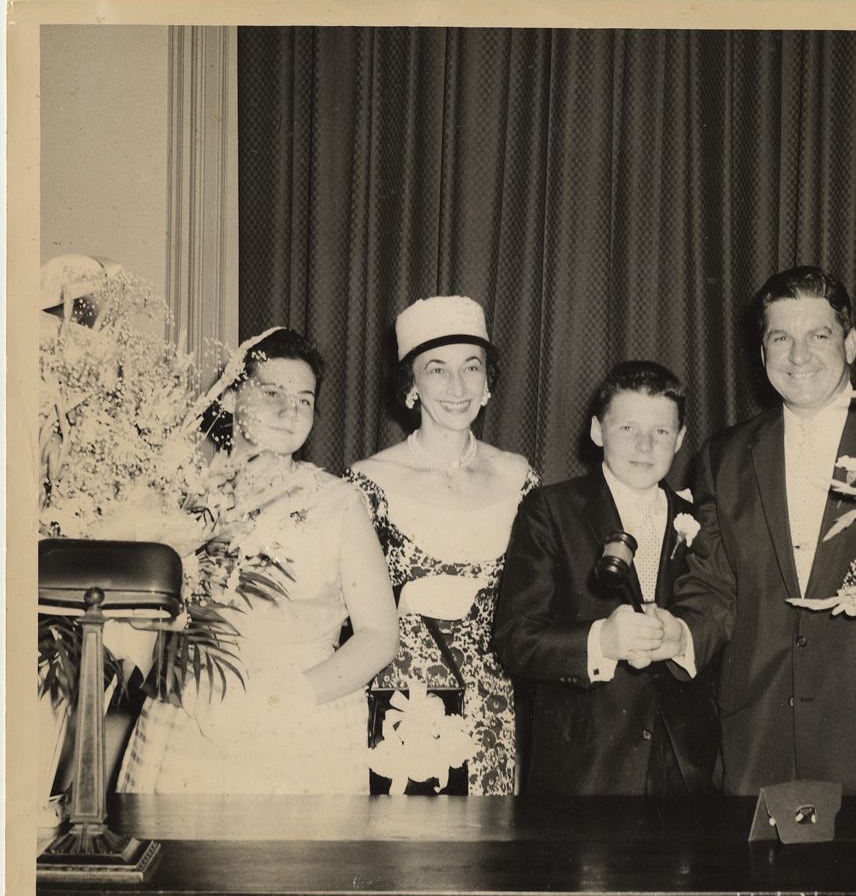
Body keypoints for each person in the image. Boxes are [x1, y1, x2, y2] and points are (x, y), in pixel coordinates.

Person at [656, 266, 856, 804]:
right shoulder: (725, 456)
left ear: (851, 343)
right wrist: (679, 636)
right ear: (762, 352)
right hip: (756, 747)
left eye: (819, 335)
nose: (798, 356)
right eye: (781, 338)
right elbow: (713, 590)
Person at [118, 329, 399, 795]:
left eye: (305, 400)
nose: (291, 412)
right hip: (192, 720)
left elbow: (379, 635)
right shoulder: (179, 494)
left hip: (302, 722)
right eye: (272, 393)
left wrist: (286, 697)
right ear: (230, 397)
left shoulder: (340, 503)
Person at [494, 361, 720, 796]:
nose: (644, 445)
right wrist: (601, 641)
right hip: (584, 770)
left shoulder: (699, 519)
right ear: (597, 432)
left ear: (681, 438)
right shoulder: (550, 510)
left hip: (683, 773)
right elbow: (515, 638)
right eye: (627, 428)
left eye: (660, 432)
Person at [348, 296, 537, 796]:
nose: (457, 388)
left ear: (488, 380)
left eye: (471, 367)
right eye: (437, 369)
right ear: (411, 383)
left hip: (498, 709)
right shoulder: (367, 484)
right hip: (401, 709)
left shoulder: (520, 478)